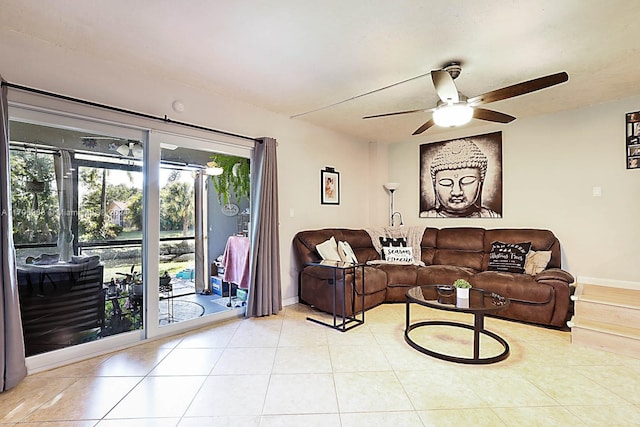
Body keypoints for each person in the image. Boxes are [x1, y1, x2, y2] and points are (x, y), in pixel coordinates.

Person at [420, 139, 501, 218]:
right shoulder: (425, 216)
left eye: (467, 181)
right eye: (446, 183)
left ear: (480, 183)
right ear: (435, 186)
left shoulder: (492, 216)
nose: (456, 192)